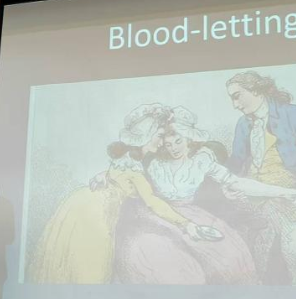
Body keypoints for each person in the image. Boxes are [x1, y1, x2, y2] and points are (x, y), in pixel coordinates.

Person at [114, 106, 296, 285]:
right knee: (165, 259)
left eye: (178, 141)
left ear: (189, 140)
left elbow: (236, 182)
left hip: (192, 213)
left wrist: (285, 192)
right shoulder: (153, 161)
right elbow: (128, 175)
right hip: (155, 214)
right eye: (168, 144)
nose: (173, 148)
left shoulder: (201, 162)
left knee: (230, 257)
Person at [27, 103, 201, 285]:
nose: (162, 141)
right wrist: (185, 223)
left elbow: (119, 179)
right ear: (146, 136)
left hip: (83, 201)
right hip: (96, 212)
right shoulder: (134, 168)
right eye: (159, 136)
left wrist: (104, 175)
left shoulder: (129, 159)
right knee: (91, 269)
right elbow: (152, 202)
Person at [226, 71, 296, 285]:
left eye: (237, 96)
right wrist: (228, 183)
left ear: (255, 90)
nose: (235, 105)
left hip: (291, 196)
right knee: (249, 261)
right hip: (255, 198)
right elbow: (236, 160)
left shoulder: (293, 114)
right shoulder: (243, 124)